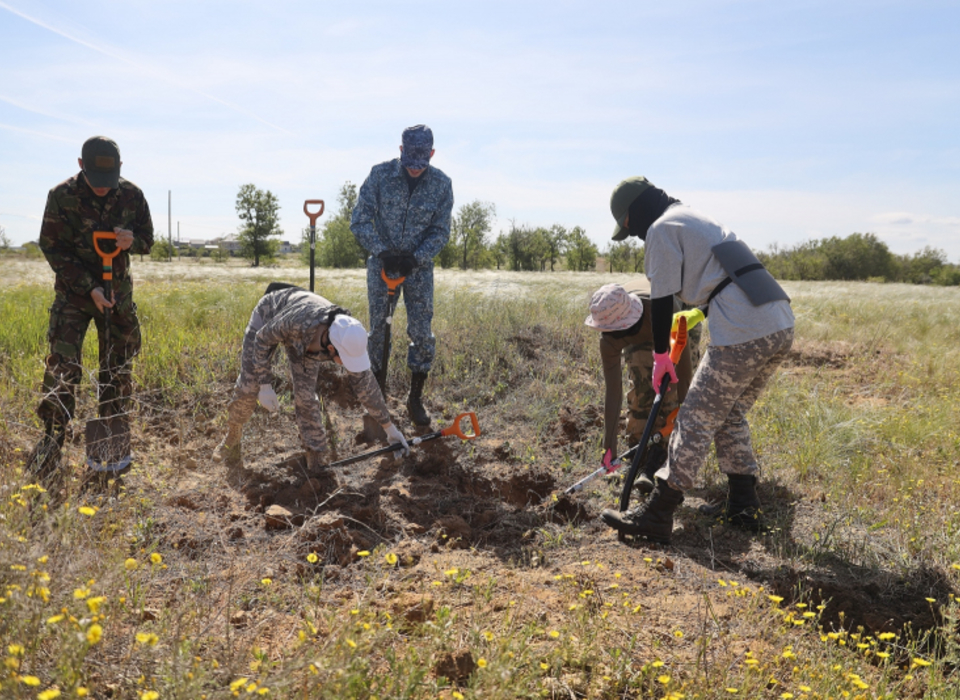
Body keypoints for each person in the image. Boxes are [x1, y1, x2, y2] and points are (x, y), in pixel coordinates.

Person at [601, 176, 794, 543]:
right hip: (778, 322)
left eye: (630, 229)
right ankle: (742, 504)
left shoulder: (660, 228)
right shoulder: (692, 217)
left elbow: (662, 300)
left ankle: (657, 514)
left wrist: (660, 357)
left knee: (693, 417)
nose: (638, 236)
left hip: (744, 330)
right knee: (729, 413)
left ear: (635, 214)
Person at [26, 136, 154, 480]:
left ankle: (111, 427)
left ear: (120, 169)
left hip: (118, 295)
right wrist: (89, 287)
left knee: (118, 363)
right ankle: (54, 434)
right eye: (95, 182)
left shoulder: (132, 195)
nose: (102, 190)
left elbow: (148, 240)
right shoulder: (61, 196)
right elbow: (52, 248)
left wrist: (132, 241)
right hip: (74, 295)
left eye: (108, 182)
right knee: (63, 364)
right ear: (80, 165)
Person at [213, 286, 409, 475]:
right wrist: (265, 385)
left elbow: (366, 386)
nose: (347, 365)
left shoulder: (350, 337)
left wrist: (389, 428)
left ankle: (315, 456)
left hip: (309, 341)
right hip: (270, 318)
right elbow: (262, 339)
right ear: (331, 349)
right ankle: (233, 435)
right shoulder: (298, 322)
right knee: (249, 388)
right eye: (345, 360)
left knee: (306, 397)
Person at [350, 124, 454, 426]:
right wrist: (382, 251)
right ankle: (375, 401)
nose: (415, 169)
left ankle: (414, 399)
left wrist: (416, 257)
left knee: (421, 332)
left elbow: (440, 231)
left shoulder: (441, 184)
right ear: (401, 151)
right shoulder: (380, 175)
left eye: (422, 162)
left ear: (432, 154)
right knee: (379, 333)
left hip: (418, 272)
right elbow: (359, 220)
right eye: (410, 162)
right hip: (382, 266)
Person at [584, 282, 699, 494]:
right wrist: (608, 446)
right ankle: (639, 458)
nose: (607, 336)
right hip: (640, 325)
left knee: (670, 390)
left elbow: (683, 376)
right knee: (641, 389)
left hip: (675, 317)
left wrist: (685, 417)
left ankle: (664, 460)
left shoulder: (664, 311)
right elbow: (613, 393)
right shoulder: (609, 340)